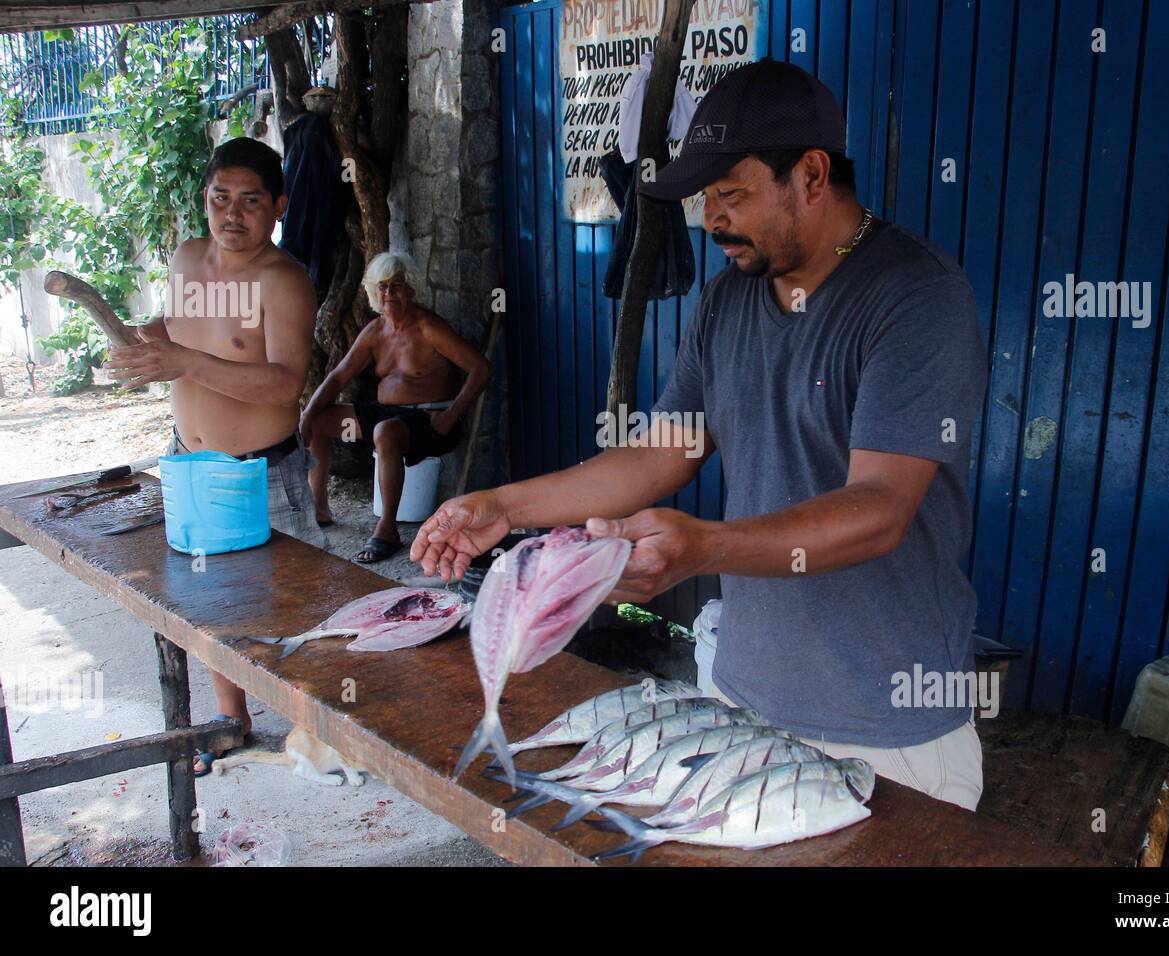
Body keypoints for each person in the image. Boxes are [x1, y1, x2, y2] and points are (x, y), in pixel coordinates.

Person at [410, 60, 990, 811]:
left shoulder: (915, 298)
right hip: (742, 693)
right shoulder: (727, 300)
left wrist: (704, 547)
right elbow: (659, 454)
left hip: (883, 727)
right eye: (706, 196)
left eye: (732, 193)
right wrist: (502, 506)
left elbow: (879, 507)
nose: (711, 218)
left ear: (811, 176)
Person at [104, 136, 325, 775]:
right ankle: (231, 719)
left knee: (289, 608)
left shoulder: (283, 281)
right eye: (220, 198)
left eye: (250, 201)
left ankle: (317, 722)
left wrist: (182, 360)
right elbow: (172, 329)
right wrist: (138, 343)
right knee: (204, 602)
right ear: (205, 200)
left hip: (262, 471)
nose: (232, 214)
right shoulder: (187, 260)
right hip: (187, 463)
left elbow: (285, 383)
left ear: (278, 205)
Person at [300, 252, 491, 562]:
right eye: (383, 287)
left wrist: (452, 413)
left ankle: (387, 529)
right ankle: (319, 508)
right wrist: (308, 413)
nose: (389, 293)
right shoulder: (376, 330)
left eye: (397, 286)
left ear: (411, 289)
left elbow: (481, 368)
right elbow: (338, 377)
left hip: (431, 419)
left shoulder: (428, 327)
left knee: (385, 431)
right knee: (321, 419)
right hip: (385, 414)